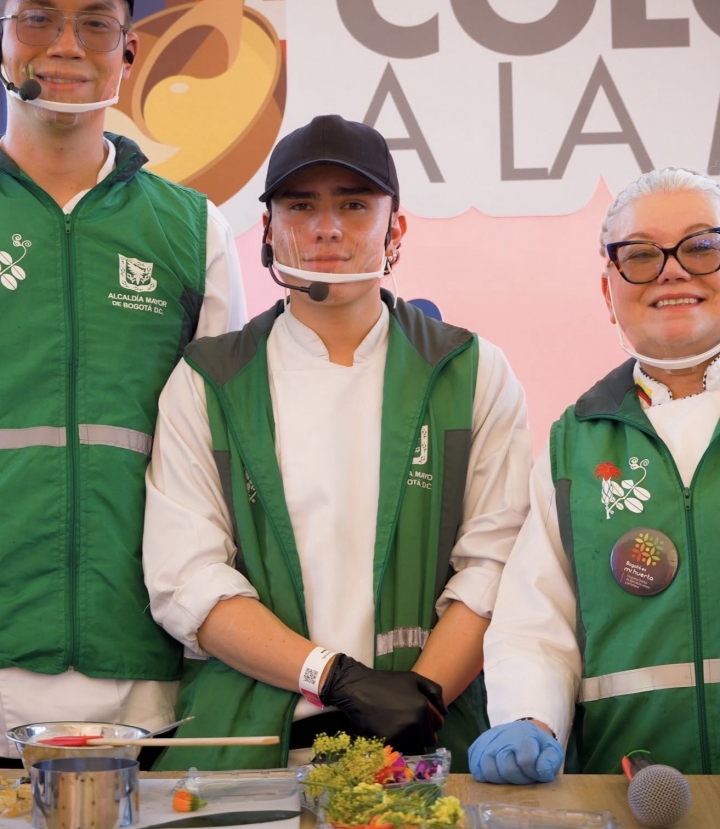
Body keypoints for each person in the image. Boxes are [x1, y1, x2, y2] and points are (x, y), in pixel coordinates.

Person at [143, 114, 532, 771]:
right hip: (252, 749)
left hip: (424, 747)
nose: (326, 228)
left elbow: (497, 565)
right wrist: (337, 677)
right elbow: (187, 579)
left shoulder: (471, 370)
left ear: (395, 227)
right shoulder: (209, 380)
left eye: (354, 205)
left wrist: (419, 701)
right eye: (301, 205)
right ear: (266, 231)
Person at [0, 0, 246, 764]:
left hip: (148, 673)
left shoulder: (191, 228)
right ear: (2, 39)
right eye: (38, 16)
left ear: (129, 53)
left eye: (95, 22)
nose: (65, 44)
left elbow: (229, 455)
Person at [469, 167, 720, 783]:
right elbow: (536, 620)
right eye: (639, 255)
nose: (672, 269)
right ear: (607, 291)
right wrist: (528, 719)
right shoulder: (572, 444)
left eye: (703, 246)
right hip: (631, 793)